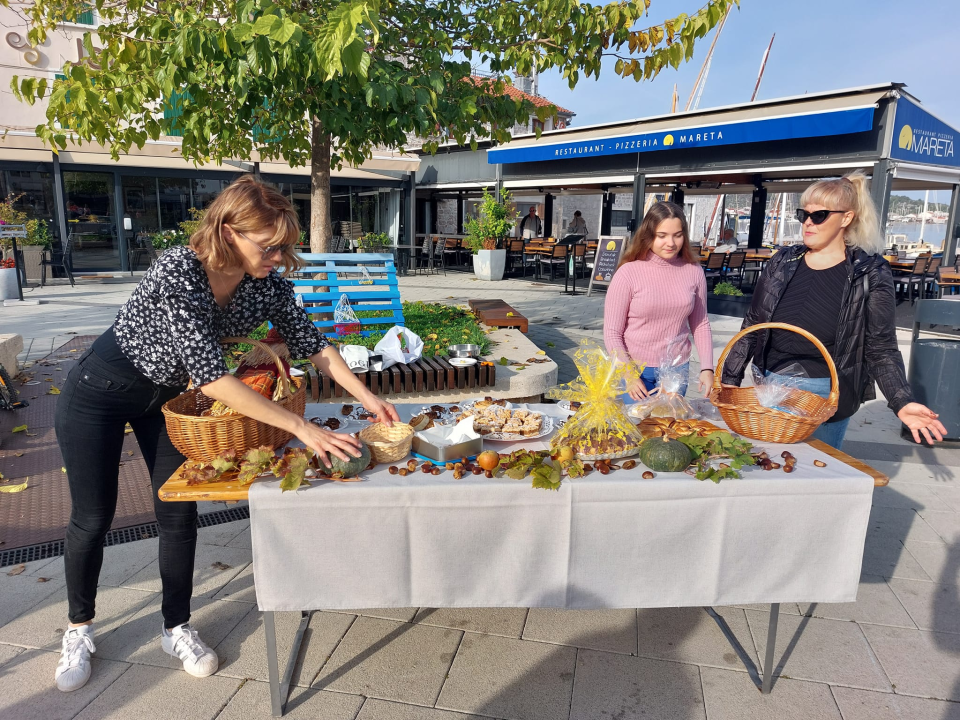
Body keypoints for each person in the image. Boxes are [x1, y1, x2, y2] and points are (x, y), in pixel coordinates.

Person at [52, 177, 400, 693]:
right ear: (227, 231)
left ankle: (176, 627)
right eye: (269, 246)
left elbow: (313, 344)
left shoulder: (267, 283)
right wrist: (302, 429)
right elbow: (215, 377)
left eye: (285, 246)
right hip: (97, 392)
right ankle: (79, 629)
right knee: (92, 518)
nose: (280, 257)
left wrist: (366, 395)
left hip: (172, 405)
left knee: (178, 512)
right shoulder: (179, 270)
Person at [720, 171, 946, 450]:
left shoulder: (870, 272)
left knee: (814, 479)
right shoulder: (783, 260)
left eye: (819, 215)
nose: (808, 223)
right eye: (803, 214)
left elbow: (880, 347)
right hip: (768, 382)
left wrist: (902, 400)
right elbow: (753, 324)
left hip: (823, 391)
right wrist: (728, 381)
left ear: (846, 218)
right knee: (764, 469)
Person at [603, 201, 714, 400]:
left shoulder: (694, 271)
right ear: (648, 235)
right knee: (636, 427)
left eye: (677, 235)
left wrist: (707, 368)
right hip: (634, 369)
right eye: (661, 236)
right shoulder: (628, 273)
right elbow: (612, 332)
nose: (671, 243)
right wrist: (628, 373)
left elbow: (701, 323)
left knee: (668, 427)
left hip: (676, 370)